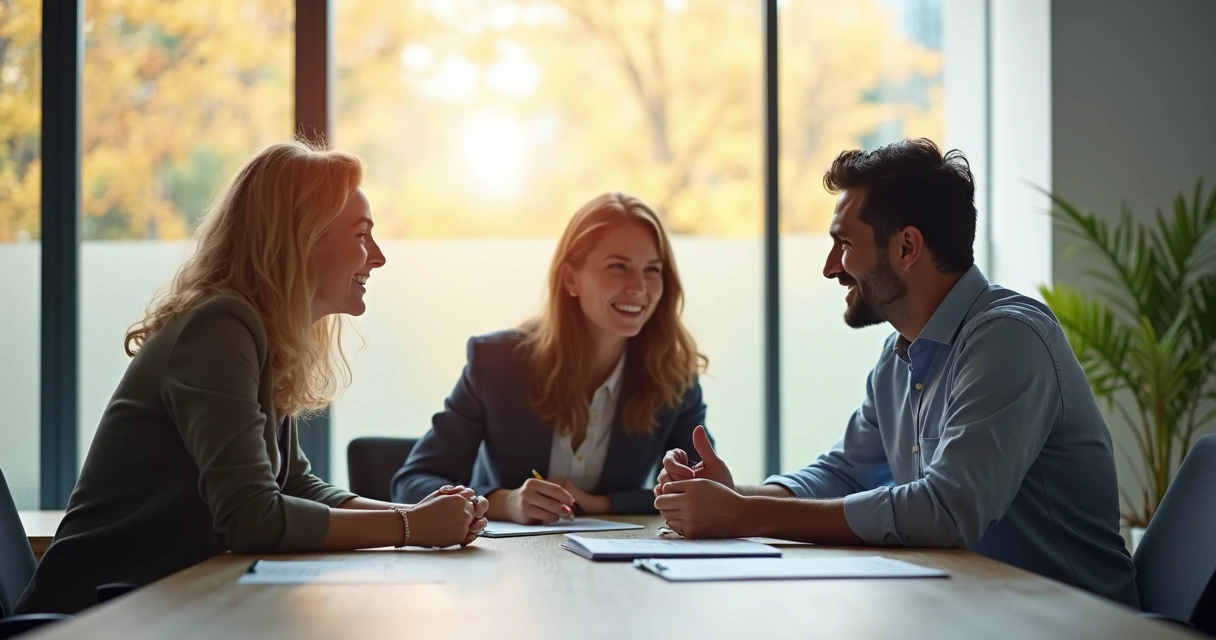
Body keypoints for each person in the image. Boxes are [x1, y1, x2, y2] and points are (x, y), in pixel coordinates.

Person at [653, 139, 1139, 608]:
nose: (829, 268)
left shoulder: (1007, 340)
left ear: (907, 247)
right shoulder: (899, 355)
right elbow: (846, 473)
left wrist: (743, 516)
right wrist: (732, 494)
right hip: (976, 611)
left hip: (1072, 622)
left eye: (844, 244)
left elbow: (946, 511)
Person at [18, 141, 487, 615]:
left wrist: (417, 516)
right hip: (92, 618)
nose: (378, 257)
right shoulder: (219, 326)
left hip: (162, 605)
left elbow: (297, 486)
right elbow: (252, 518)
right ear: (302, 238)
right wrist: (412, 529)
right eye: (362, 235)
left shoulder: (257, 330)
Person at [392, 192, 709, 524]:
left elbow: (703, 491)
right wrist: (507, 502)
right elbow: (412, 484)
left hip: (619, 565)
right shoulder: (496, 363)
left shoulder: (673, 377)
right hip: (509, 567)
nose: (639, 288)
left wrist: (600, 503)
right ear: (571, 278)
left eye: (652, 270)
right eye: (618, 267)